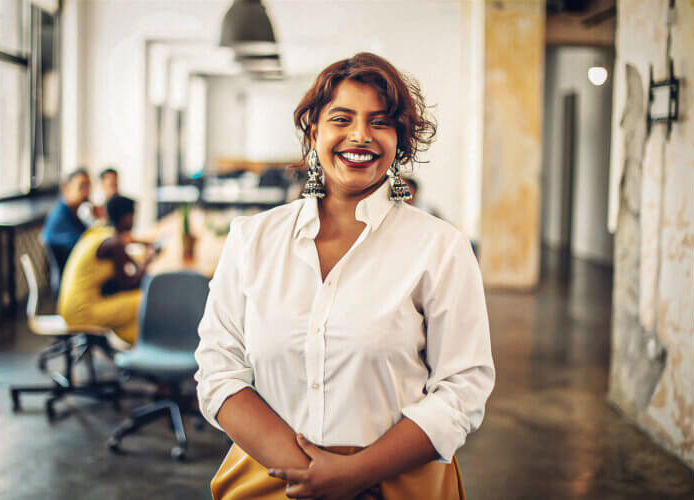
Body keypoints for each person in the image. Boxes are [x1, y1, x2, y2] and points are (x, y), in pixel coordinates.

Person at [195, 52, 495, 500]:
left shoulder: (441, 249)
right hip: (272, 482)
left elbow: (462, 390)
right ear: (314, 130)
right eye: (342, 118)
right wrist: (311, 476)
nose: (360, 135)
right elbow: (219, 372)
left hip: (399, 486)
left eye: (380, 121)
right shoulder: (251, 240)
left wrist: (355, 476)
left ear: (401, 140)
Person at [57, 195, 156, 345]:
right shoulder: (114, 243)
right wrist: (147, 262)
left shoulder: (99, 233)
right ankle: (146, 344)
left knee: (130, 310)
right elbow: (128, 284)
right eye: (133, 215)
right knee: (145, 299)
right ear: (126, 217)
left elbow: (125, 260)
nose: (134, 220)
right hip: (81, 312)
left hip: (68, 308)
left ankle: (136, 347)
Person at [41, 168, 92, 270]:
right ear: (66, 188)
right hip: (69, 283)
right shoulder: (60, 218)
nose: (87, 192)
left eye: (88, 186)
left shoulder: (72, 213)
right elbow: (88, 249)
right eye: (81, 186)